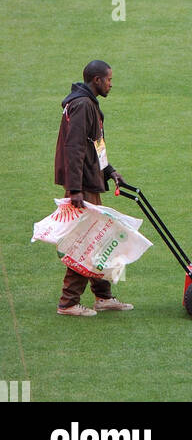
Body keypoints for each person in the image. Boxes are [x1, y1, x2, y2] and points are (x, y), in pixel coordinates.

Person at [54, 60, 133, 317]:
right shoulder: (83, 105)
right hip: (82, 187)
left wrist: (110, 171)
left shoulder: (87, 104)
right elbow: (74, 147)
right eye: (109, 79)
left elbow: (95, 144)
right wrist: (75, 189)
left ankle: (103, 296)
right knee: (86, 242)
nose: (111, 83)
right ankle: (68, 303)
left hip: (88, 182)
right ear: (96, 80)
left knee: (99, 240)